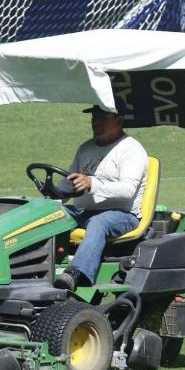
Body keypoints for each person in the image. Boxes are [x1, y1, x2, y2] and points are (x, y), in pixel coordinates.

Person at [52, 105, 148, 292]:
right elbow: (68, 185)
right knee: (49, 214)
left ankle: (77, 274)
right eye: (94, 117)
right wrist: (52, 194)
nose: (96, 122)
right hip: (83, 212)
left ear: (119, 120)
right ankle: (34, 266)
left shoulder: (131, 149)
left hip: (122, 215)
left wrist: (92, 183)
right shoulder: (85, 148)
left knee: (98, 222)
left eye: (103, 118)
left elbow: (127, 190)